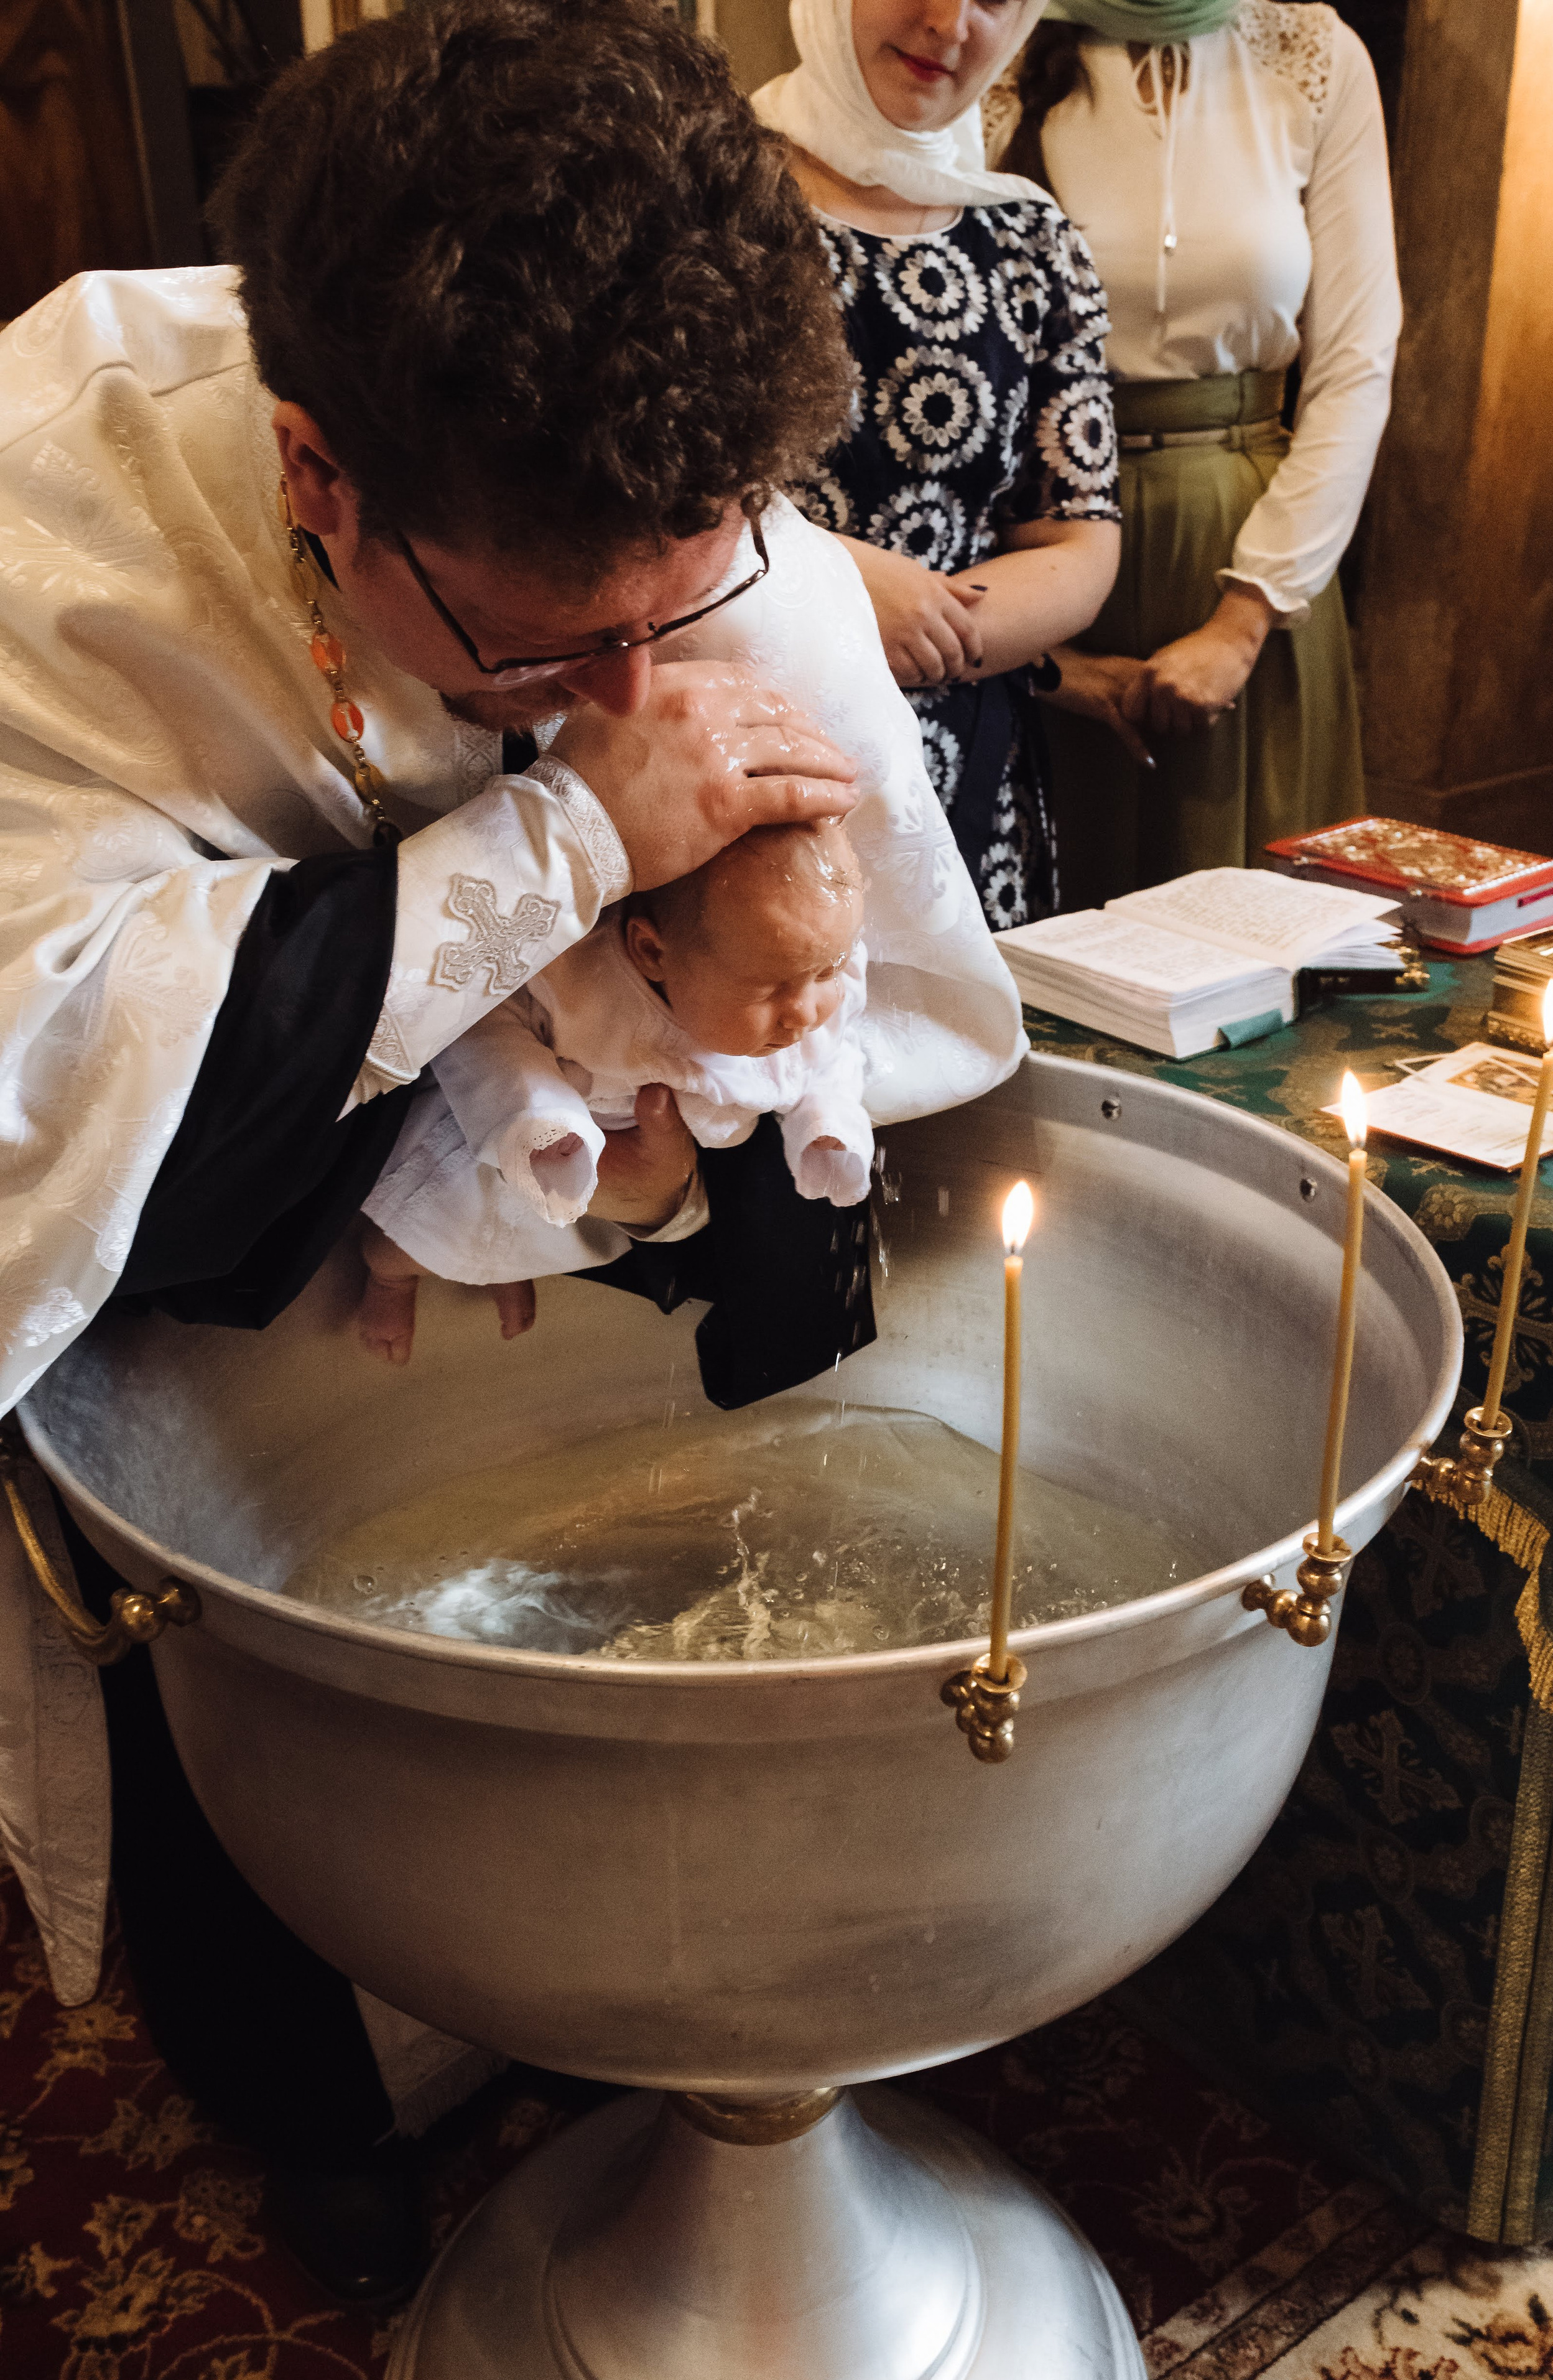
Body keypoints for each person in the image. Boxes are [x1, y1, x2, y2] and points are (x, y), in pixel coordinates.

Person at [0, 0, 1022, 2307]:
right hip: (228, 1287)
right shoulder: (42, 526)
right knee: (273, 1857)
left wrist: (684, 1109)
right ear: (312, 477)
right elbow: (78, 1142)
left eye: (701, 600)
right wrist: (562, 841)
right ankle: (327, 2118)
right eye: (560, 647)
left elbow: (874, 1010)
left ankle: (662, 1999)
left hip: (576, 1226)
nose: (656, 687)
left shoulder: (669, 516)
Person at [1002, 0, 1401, 906]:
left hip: (1252, 546)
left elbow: (1356, 361)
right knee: (1056, 921)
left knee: (1249, 921)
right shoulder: (989, 40)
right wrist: (1045, 658)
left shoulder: (1314, 56)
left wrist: (1246, 617)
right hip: (1039, 550)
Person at [758, 0, 1123, 931]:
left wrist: (930, 628)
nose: (946, 21)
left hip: (962, 765)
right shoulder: (704, 201)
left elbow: (1078, 540)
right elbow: (642, 490)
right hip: (749, 736)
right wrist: (837, 592)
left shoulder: (1033, 244)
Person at [358, 819, 874, 1364]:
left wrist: (827, 1126)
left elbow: (833, 1059)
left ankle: (500, 1268)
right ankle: (389, 1276)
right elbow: (483, 1021)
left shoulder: (805, 970)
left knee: (551, 1239)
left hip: (623, 1174)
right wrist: (539, 1112)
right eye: (769, 988)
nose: (805, 1012)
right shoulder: (579, 982)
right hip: (513, 1127)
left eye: (830, 970)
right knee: (441, 1219)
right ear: (653, 952)